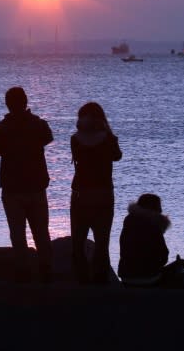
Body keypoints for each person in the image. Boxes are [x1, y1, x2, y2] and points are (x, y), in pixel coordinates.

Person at [0, 87, 54, 282]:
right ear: (26, 102)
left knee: (18, 235)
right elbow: (48, 138)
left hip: (12, 188)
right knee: (41, 233)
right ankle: (46, 273)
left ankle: (23, 275)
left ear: (8, 104)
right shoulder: (39, 125)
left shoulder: (1, 128)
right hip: (36, 187)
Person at [69, 102, 122, 284]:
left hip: (80, 195)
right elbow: (117, 156)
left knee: (78, 242)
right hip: (104, 194)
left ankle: (82, 281)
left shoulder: (75, 139)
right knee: (102, 243)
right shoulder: (109, 138)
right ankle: (101, 281)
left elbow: (77, 157)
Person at [117, 193, 172, 287]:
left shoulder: (128, 221)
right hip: (149, 277)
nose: (161, 210)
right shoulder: (154, 224)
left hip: (126, 276)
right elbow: (163, 257)